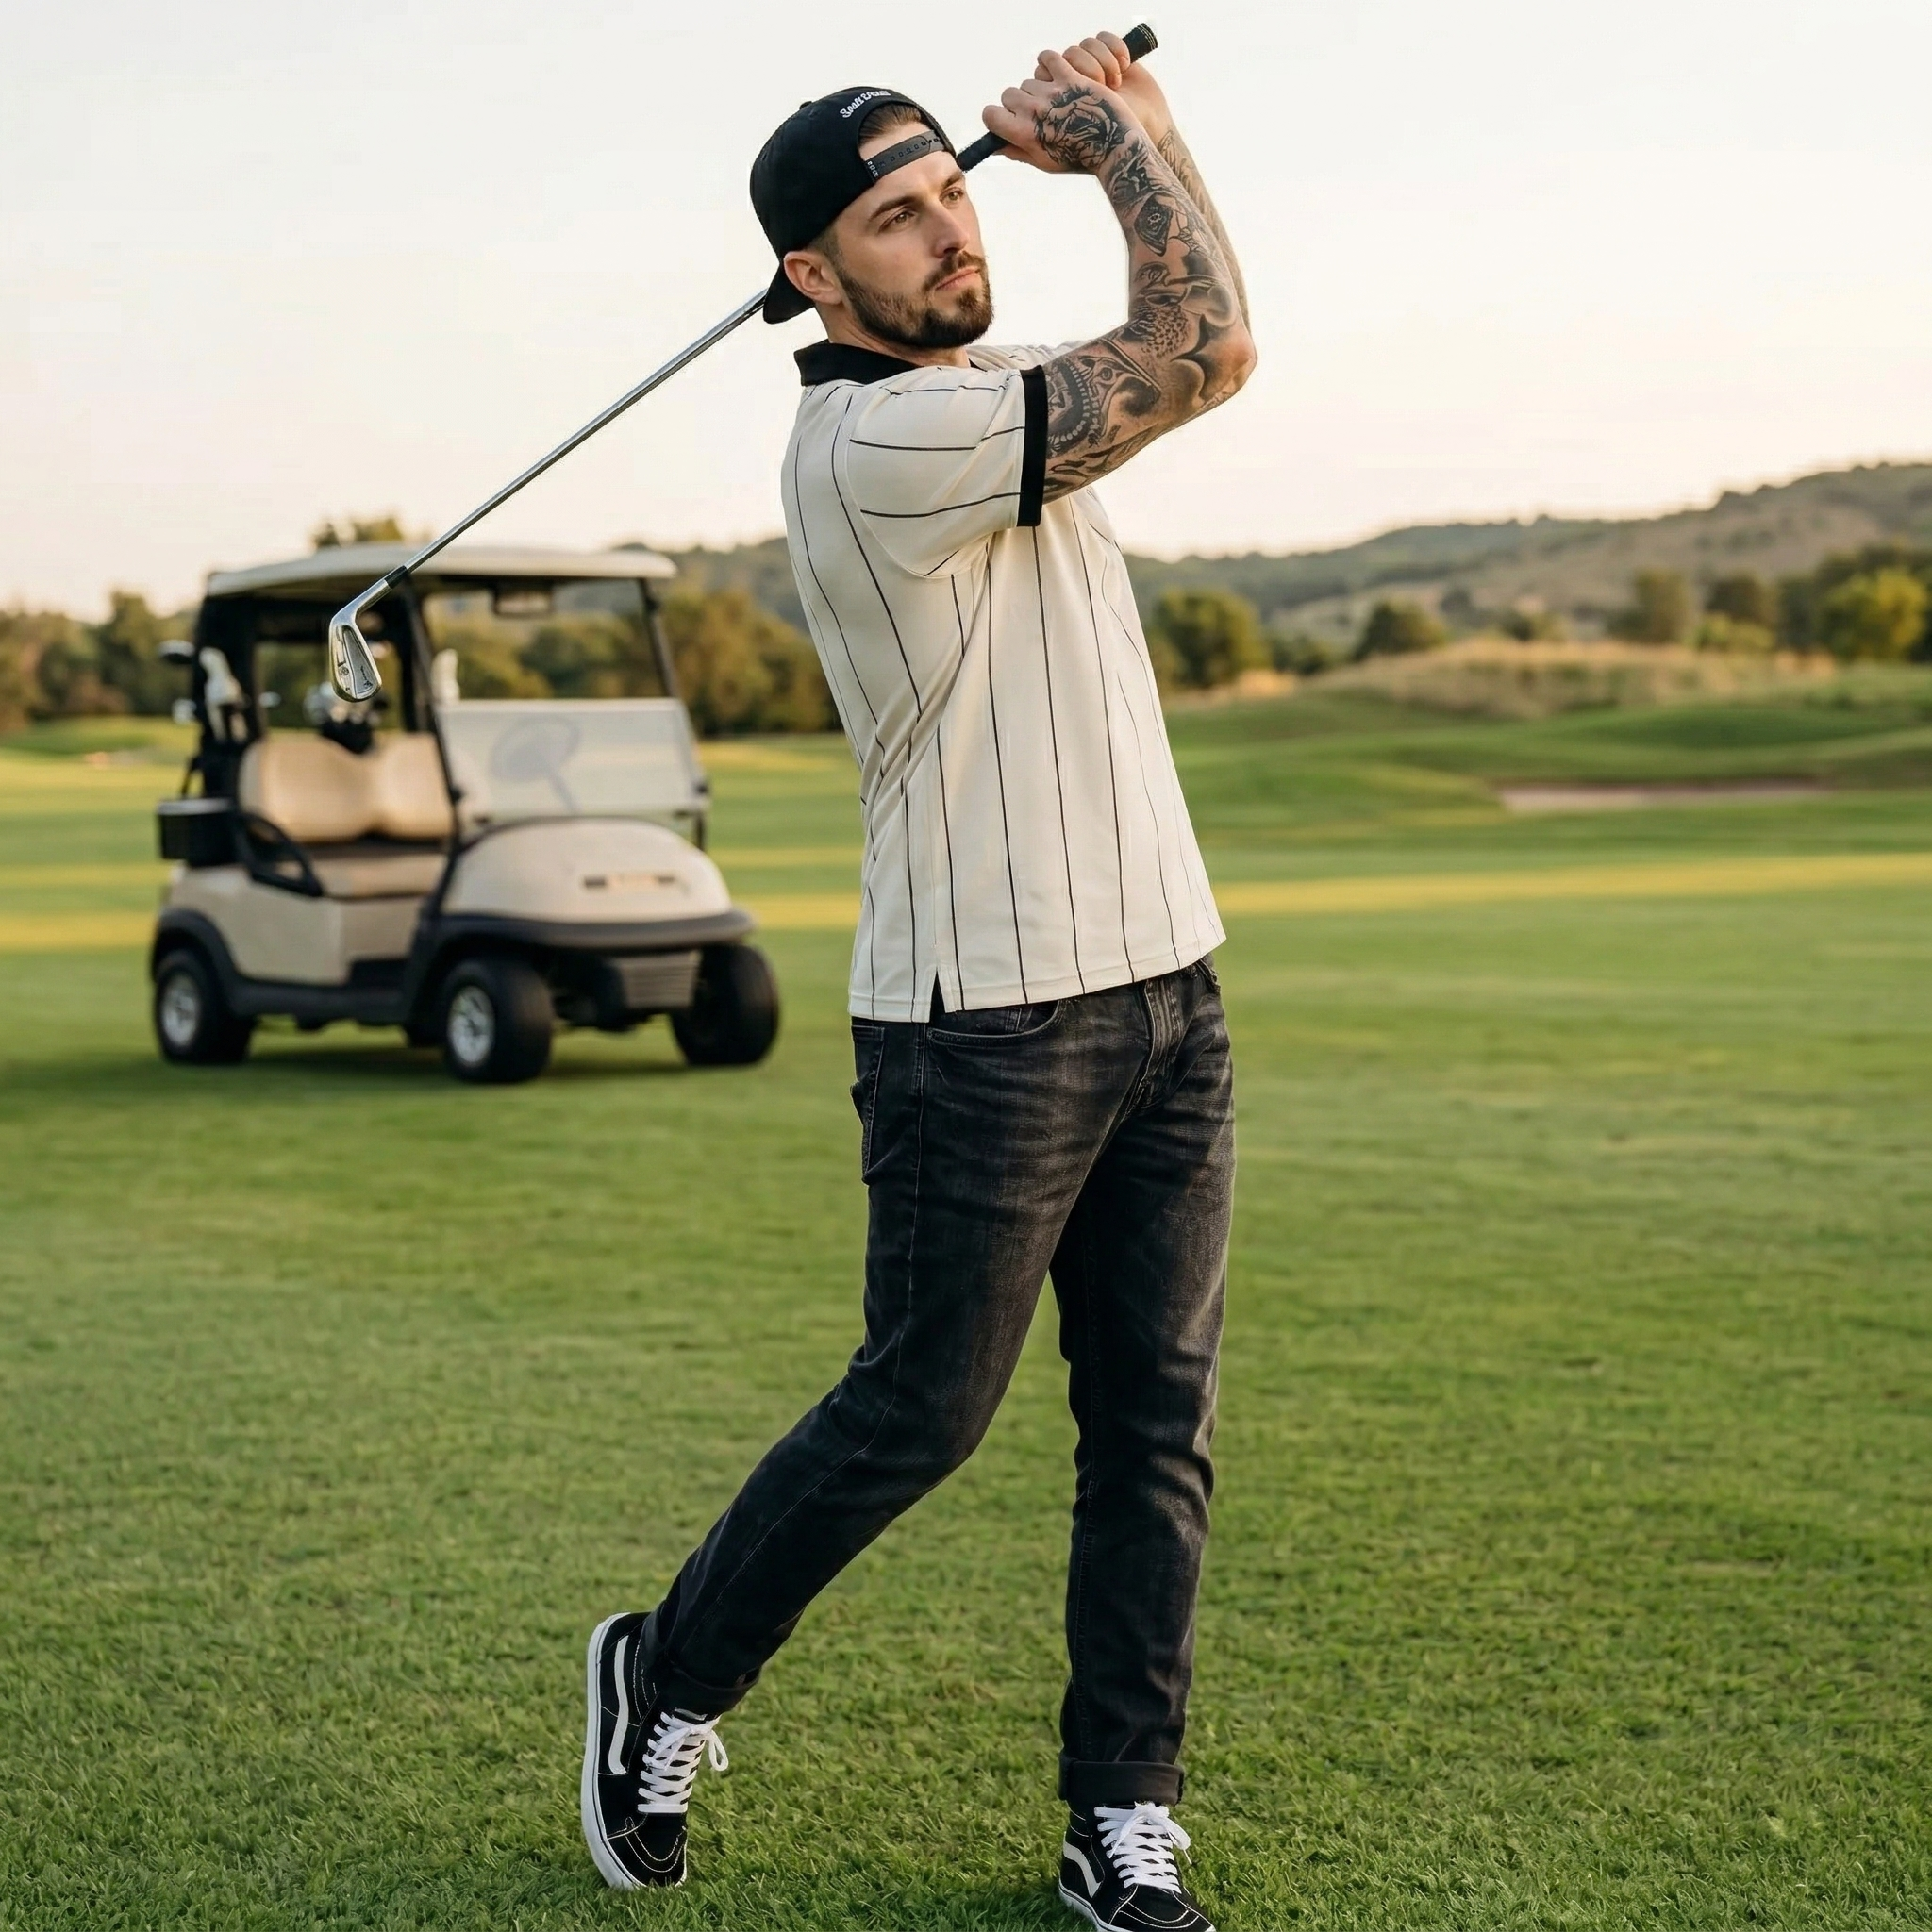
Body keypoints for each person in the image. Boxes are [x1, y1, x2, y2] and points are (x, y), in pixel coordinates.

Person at [582, 32, 1255, 1932]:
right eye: (896, 216)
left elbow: (1172, 328)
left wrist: (1155, 128)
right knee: (918, 1411)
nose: (949, 227)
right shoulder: (882, 442)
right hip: (988, 1022)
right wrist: (1116, 143)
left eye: (952, 188)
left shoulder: (991, 388)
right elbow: (1207, 348)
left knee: (1154, 1428)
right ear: (814, 275)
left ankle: (1120, 1816)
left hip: (1166, 990)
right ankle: (670, 1671)